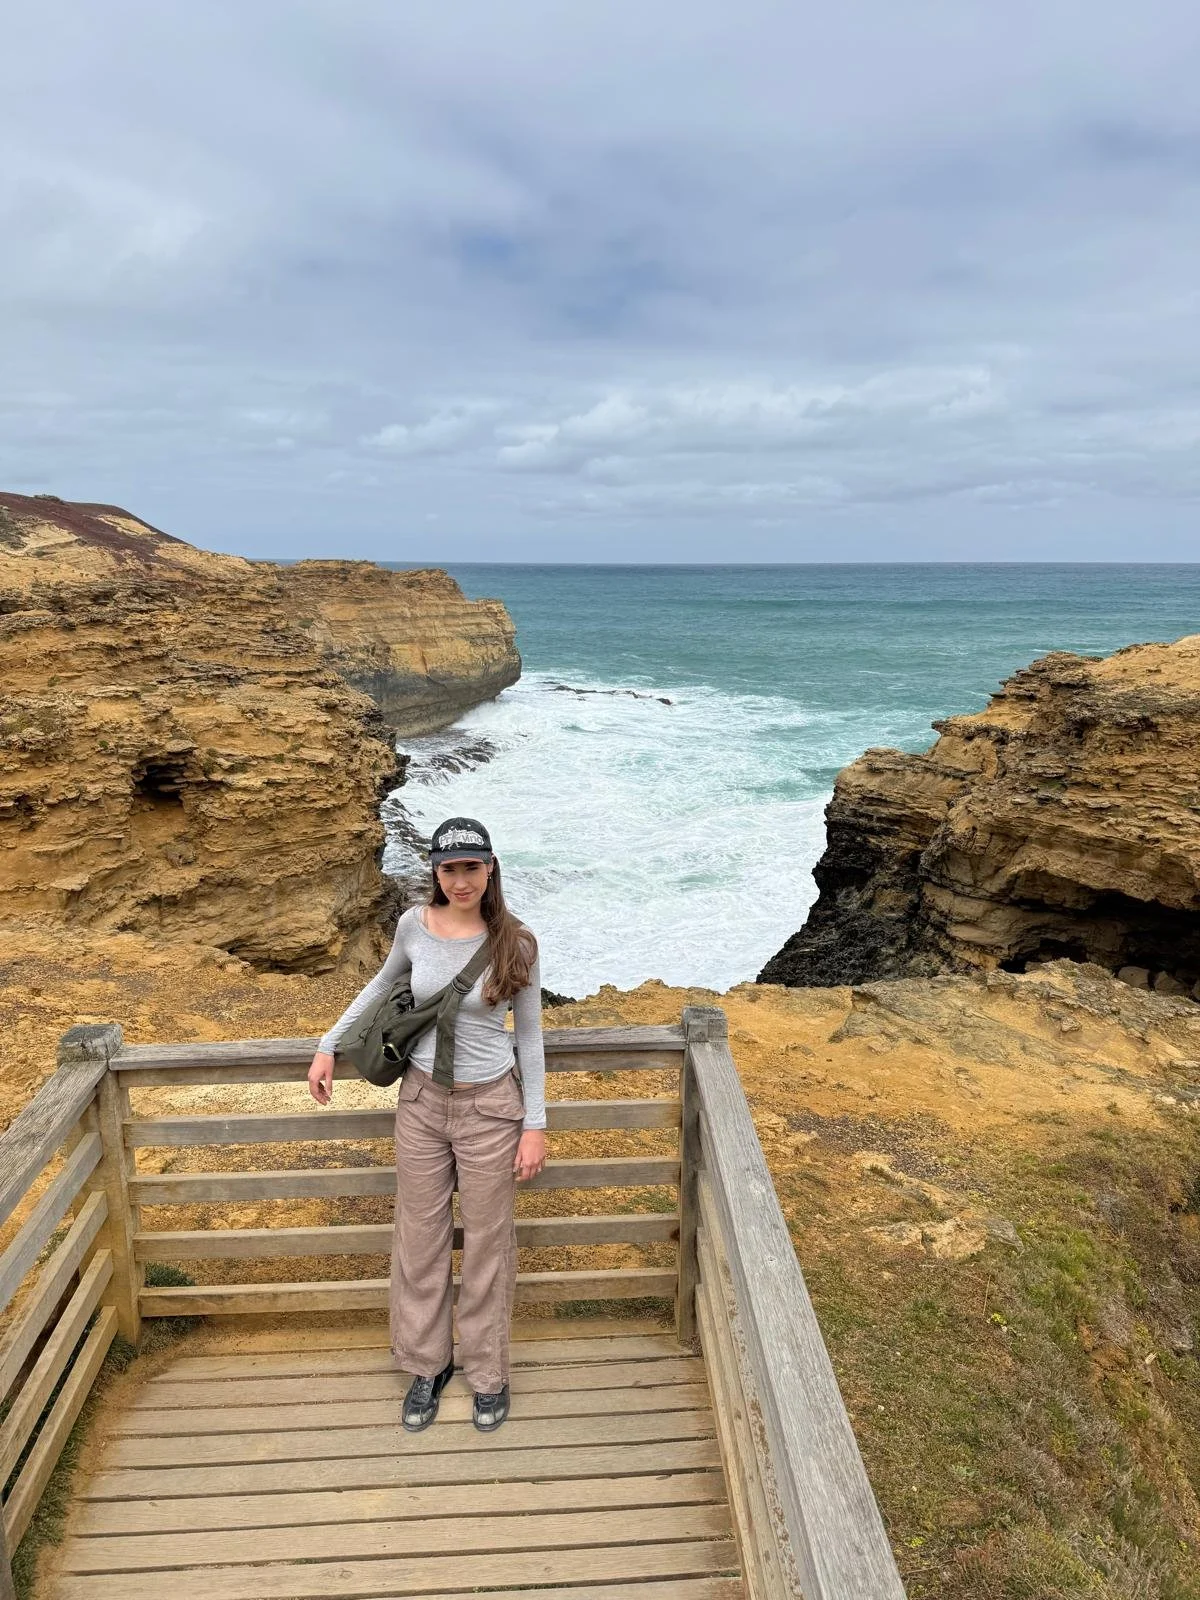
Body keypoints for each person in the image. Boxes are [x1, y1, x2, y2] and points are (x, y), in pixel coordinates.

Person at [307, 816, 547, 1433]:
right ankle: (427, 1366)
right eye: (449, 868)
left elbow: (530, 1038)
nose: (461, 879)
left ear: (490, 868)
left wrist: (535, 1124)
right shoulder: (414, 925)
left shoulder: (515, 943)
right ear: (435, 872)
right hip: (419, 1104)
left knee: (490, 1245)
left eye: (472, 867)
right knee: (420, 1239)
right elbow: (383, 982)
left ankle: (489, 1373)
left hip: (491, 1108)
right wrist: (329, 1044)